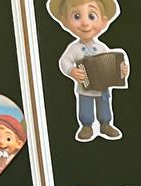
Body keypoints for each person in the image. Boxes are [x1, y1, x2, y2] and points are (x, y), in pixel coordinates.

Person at [48, 0, 127, 142]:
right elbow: (64, 61)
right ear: (65, 22)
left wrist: (121, 70)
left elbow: (112, 63)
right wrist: (71, 70)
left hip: (102, 87)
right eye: (77, 16)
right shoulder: (74, 48)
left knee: (104, 106)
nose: (85, 23)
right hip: (85, 87)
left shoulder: (102, 47)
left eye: (92, 16)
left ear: (103, 22)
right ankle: (86, 126)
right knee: (86, 107)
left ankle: (105, 124)